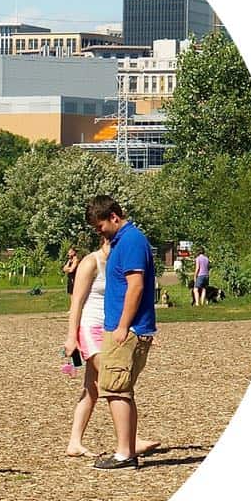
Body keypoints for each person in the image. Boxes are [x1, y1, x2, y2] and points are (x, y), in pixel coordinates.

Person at [64, 237, 159, 458]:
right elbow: (76, 301)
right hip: (90, 327)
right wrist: (71, 337)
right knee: (116, 380)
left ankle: (74, 442)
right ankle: (130, 441)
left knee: (92, 388)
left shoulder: (120, 264)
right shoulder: (91, 262)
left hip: (111, 328)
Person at [85, 195, 157, 470]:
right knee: (120, 390)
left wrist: (124, 326)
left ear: (114, 216)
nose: (99, 231)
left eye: (100, 225)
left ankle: (124, 454)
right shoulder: (124, 241)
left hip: (125, 330)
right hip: (125, 328)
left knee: (116, 389)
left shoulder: (130, 241)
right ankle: (126, 449)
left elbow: (136, 286)